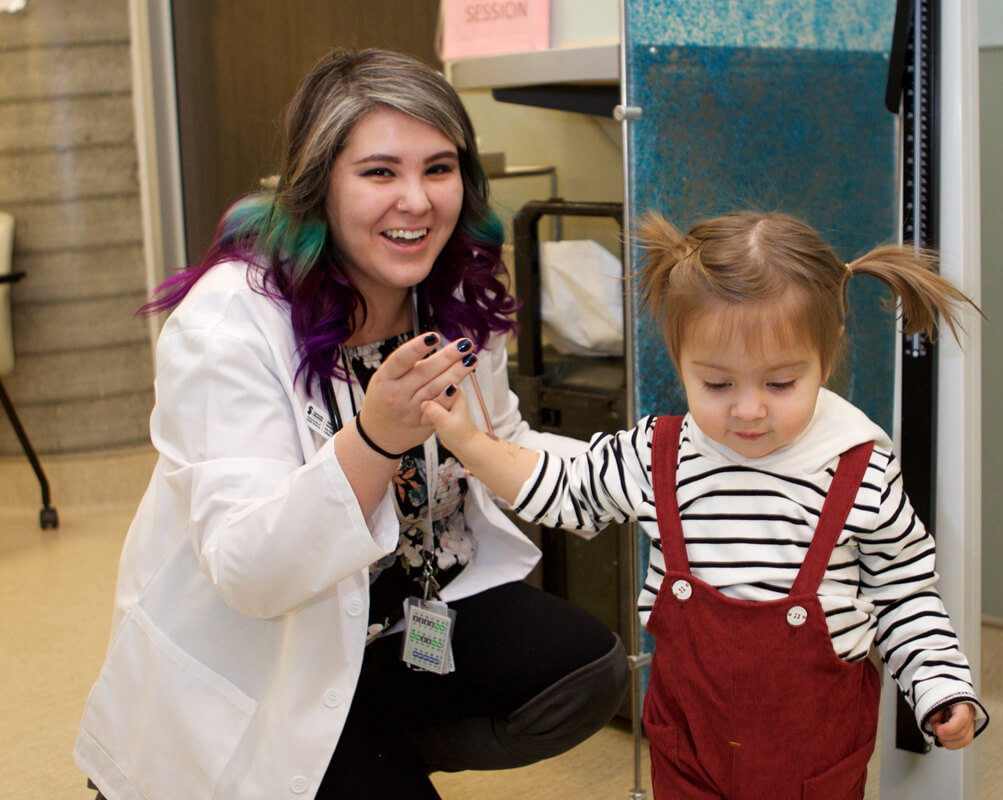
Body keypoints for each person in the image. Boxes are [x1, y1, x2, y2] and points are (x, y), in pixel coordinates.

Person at [74, 48, 628, 800]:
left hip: (398, 630)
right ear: (319, 186)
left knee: (582, 668)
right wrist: (374, 440)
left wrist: (650, 472)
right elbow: (249, 568)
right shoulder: (231, 320)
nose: (418, 201)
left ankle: (369, 741)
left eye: (439, 168)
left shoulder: (452, 294)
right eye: (379, 172)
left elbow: (503, 444)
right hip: (263, 658)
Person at [422, 210, 991, 799]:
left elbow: (902, 592)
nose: (748, 411)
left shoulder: (860, 471)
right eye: (717, 384)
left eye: (780, 383)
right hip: (690, 747)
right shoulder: (656, 453)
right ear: (679, 360)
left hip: (811, 759)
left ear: (828, 352)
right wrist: (468, 441)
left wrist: (939, 685)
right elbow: (563, 487)